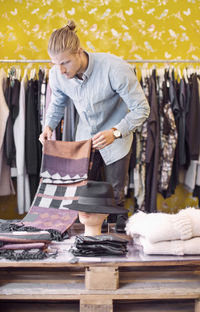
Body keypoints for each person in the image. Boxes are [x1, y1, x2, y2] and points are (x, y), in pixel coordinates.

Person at [39, 20, 150, 232]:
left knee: (114, 199)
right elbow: (58, 101)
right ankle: (86, 248)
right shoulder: (57, 74)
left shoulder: (115, 69)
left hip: (117, 142)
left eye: (65, 63)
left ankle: (114, 250)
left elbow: (142, 109)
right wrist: (48, 127)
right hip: (84, 142)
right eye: (55, 64)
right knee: (84, 199)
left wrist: (115, 132)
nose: (61, 70)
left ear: (79, 51)